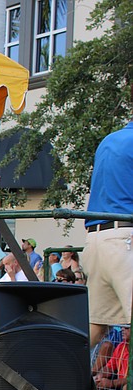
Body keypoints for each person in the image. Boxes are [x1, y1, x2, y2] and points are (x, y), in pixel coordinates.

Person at [82, 116, 133, 346]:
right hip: (124, 241)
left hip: (96, 239)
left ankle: (54, 378)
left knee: (95, 325)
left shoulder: (109, 140)